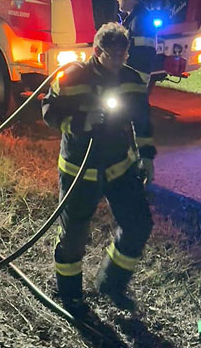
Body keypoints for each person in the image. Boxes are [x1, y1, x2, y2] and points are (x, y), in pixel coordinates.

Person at [42, 22, 156, 316]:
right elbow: (49, 112)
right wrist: (83, 122)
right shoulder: (71, 77)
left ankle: (111, 283)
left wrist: (147, 156)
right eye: (113, 56)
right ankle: (71, 297)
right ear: (97, 51)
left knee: (139, 223)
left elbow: (142, 120)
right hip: (80, 168)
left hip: (119, 166)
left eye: (124, 55)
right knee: (74, 236)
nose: (119, 62)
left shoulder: (131, 80)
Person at [117, 0, 156, 87]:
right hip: (138, 70)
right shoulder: (138, 17)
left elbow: (133, 47)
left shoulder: (138, 20)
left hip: (136, 71)